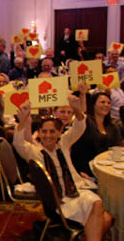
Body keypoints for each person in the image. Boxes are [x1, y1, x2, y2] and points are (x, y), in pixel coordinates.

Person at [13, 99, 112, 241]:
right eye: (44, 132)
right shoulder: (35, 152)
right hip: (59, 202)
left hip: (74, 192)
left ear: (59, 133)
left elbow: (78, 127)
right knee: (97, 205)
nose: (48, 135)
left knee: (106, 218)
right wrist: (22, 120)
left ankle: (85, 237)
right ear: (39, 133)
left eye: (52, 131)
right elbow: (18, 143)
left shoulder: (64, 144)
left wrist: (77, 109)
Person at [71, 92, 122, 177]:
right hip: (86, 172)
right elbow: (81, 116)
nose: (106, 105)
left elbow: (118, 148)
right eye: (102, 102)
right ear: (93, 105)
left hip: (109, 171)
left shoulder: (114, 127)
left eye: (108, 103)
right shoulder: (86, 124)